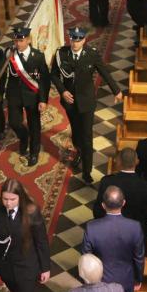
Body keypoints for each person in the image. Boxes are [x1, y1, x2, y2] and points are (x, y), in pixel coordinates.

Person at [51, 27, 124, 183]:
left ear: (84, 40)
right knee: (76, 132)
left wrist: (116, 90)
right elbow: (54, 75)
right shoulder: (61, 54)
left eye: (78, 40)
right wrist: (63, 91)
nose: (75, 43)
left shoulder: (91, 54)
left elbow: (104, 72)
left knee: (87, 136)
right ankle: (79, 151)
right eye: (73, 40)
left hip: (86, 102)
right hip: (70, 102)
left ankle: (87, 171)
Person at [81, 186, 145, 292]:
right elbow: (139, 258)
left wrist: (88, 281)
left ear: (103, 205)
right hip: (126, 280)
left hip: (100, 281)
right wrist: (138, 279)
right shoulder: (135, 227)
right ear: (123, 203)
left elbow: (86, 257)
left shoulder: (91, 227)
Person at [4, 26, 50, 166]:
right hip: (14, 94)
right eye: (16, 40)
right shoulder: (10, 53)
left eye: (21, 40)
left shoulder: (38, 56)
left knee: (34, 125)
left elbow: (44, 79)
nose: (18, 44)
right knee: (14, 122)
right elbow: (0, 68)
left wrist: (43, 100)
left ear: (28, 40)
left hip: (32, 96)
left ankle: (34, 152)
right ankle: (24, 137)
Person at [93, 148, 147, 240]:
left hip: (110, 233)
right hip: (136, 235)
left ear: (118, 162)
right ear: (137, 162)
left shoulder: (107, 181)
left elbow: (98, 210)